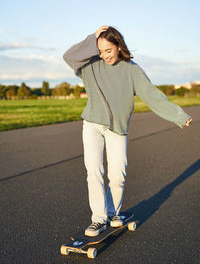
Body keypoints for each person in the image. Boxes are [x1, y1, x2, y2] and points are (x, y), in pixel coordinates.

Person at [63, 25, 192, 237]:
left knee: (117, 174)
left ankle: (113, 213)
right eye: (100, 51)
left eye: (109, 50)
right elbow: (68, 56)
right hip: (92, 125)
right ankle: (98, 219)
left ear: (118, 46)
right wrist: (92, 37)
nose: (104, 56)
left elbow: (152, 95)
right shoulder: (90, 65)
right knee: (94, 172)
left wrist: (178, 115)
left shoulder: (132, 70)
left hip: (117, 129)